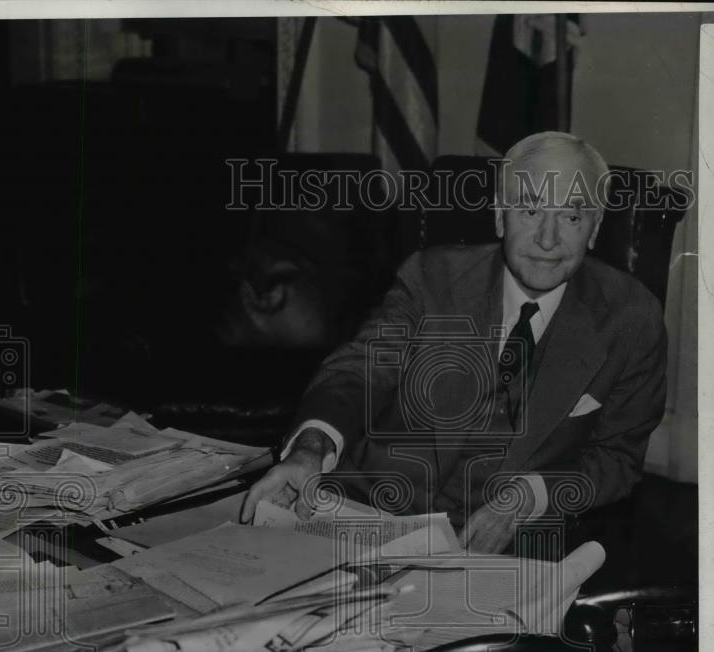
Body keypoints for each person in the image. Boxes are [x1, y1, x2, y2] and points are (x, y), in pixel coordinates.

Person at [241, 131, 667, 554]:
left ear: (595, 228)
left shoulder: (632, 318)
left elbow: (618, 458)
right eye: (530, 211)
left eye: (571, 218)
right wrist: (311, 449)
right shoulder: (431, 277)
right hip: (362, 512)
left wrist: (530, 497)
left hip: (500, 550)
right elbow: (360, 370)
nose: (548, 240)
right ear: (500, 216)